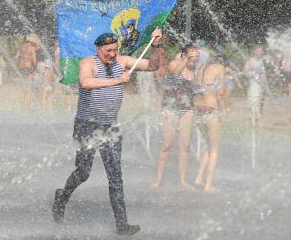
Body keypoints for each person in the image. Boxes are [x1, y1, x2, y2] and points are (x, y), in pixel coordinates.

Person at [52, 29, 164, 236]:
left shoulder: (123, 61)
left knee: (115, 176)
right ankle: (62, 195)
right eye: (108, 50)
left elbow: (154, 66)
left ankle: (121, 224)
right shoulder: (89, 63)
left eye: (114, 50)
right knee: (83, 173)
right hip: (87, 125)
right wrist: (117, 81)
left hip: (110, 127)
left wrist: (156, 46)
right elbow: (86, 83)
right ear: (98, 49)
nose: (112, 54)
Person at [153, 44, 200, 189]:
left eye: (197, 56)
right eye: (192, 56)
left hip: (187, 111)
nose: (195, 59)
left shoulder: (195, 70)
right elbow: (174, 73)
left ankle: (183, 181)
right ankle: (158, 180)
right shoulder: (175, 64)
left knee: (184, 147)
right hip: (171, 110)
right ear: (184, 55)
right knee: (167, 145)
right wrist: (185, 60)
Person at [193, 54, 226, 192]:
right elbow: (221, 91)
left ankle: (199, 178)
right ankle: (209, 185)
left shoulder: (200, 69)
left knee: (209, 145)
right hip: (212, 110)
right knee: (215, 149)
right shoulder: (220, 68)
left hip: (199, 111)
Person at [243, 44, 269, 122]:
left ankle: (255, 120)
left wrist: (266, 86)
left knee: (260, 103)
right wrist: (254, 71)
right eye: (259, 51)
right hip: (253, 85)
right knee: (254, 103)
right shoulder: (250, 61)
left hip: (261, 86)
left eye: (262, 51)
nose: (261, 52)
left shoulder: (261, 61)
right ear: (254, 51)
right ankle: (252, 120)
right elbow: (245, 72)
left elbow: (263, 74)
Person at [16, 34, 39, 112]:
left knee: (23, 89)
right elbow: (34, 60)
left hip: (21, 68)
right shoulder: (32, 48)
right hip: (29, 68)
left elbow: (16, 57)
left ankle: (22, 107)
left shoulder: (21, 47)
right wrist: (36, 69)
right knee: (29, 89)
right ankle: (28, 109)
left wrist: (23, 58)